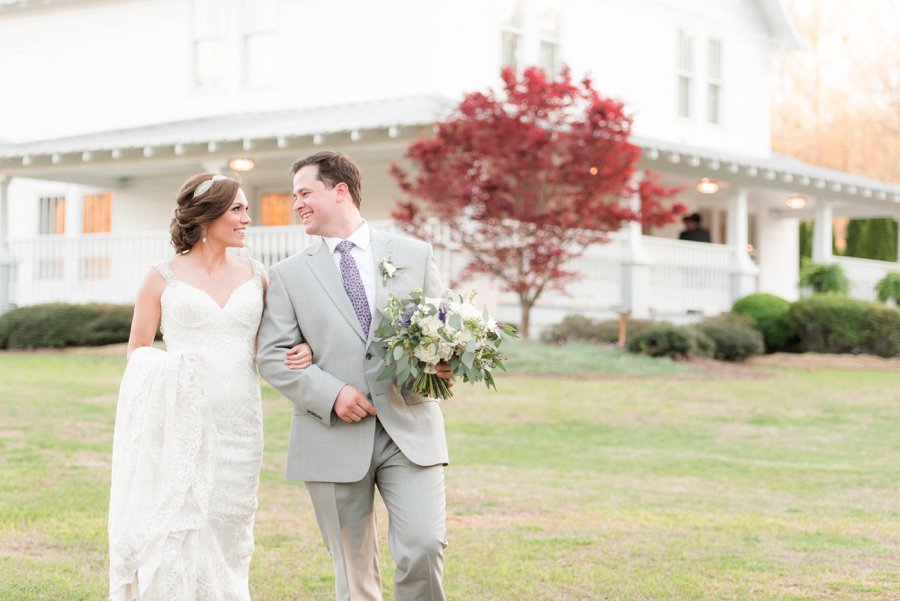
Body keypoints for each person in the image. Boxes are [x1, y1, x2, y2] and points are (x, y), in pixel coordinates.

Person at [257, 151, 453, 601]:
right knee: (353, 567)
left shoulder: (414, 255)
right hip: (332, 434)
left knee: (424, 545)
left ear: (339, 191)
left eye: (305, 192)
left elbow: (442, 333)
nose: (297, 204)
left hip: (410, 426)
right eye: (294, 196)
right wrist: (330, 393)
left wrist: (445, 363)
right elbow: (271, 356)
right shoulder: (287, 276)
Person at [108, 173, 312, 601]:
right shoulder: (161, 277)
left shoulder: (259, 276)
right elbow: (138, 351)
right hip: (182, 423)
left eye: (245, 208)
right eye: (237, 209)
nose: (247, 218)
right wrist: (175, 371)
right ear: (207, 216)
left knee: (230, 531)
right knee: (179, 528)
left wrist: (303, 352)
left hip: (240, 427)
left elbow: (271, 348)